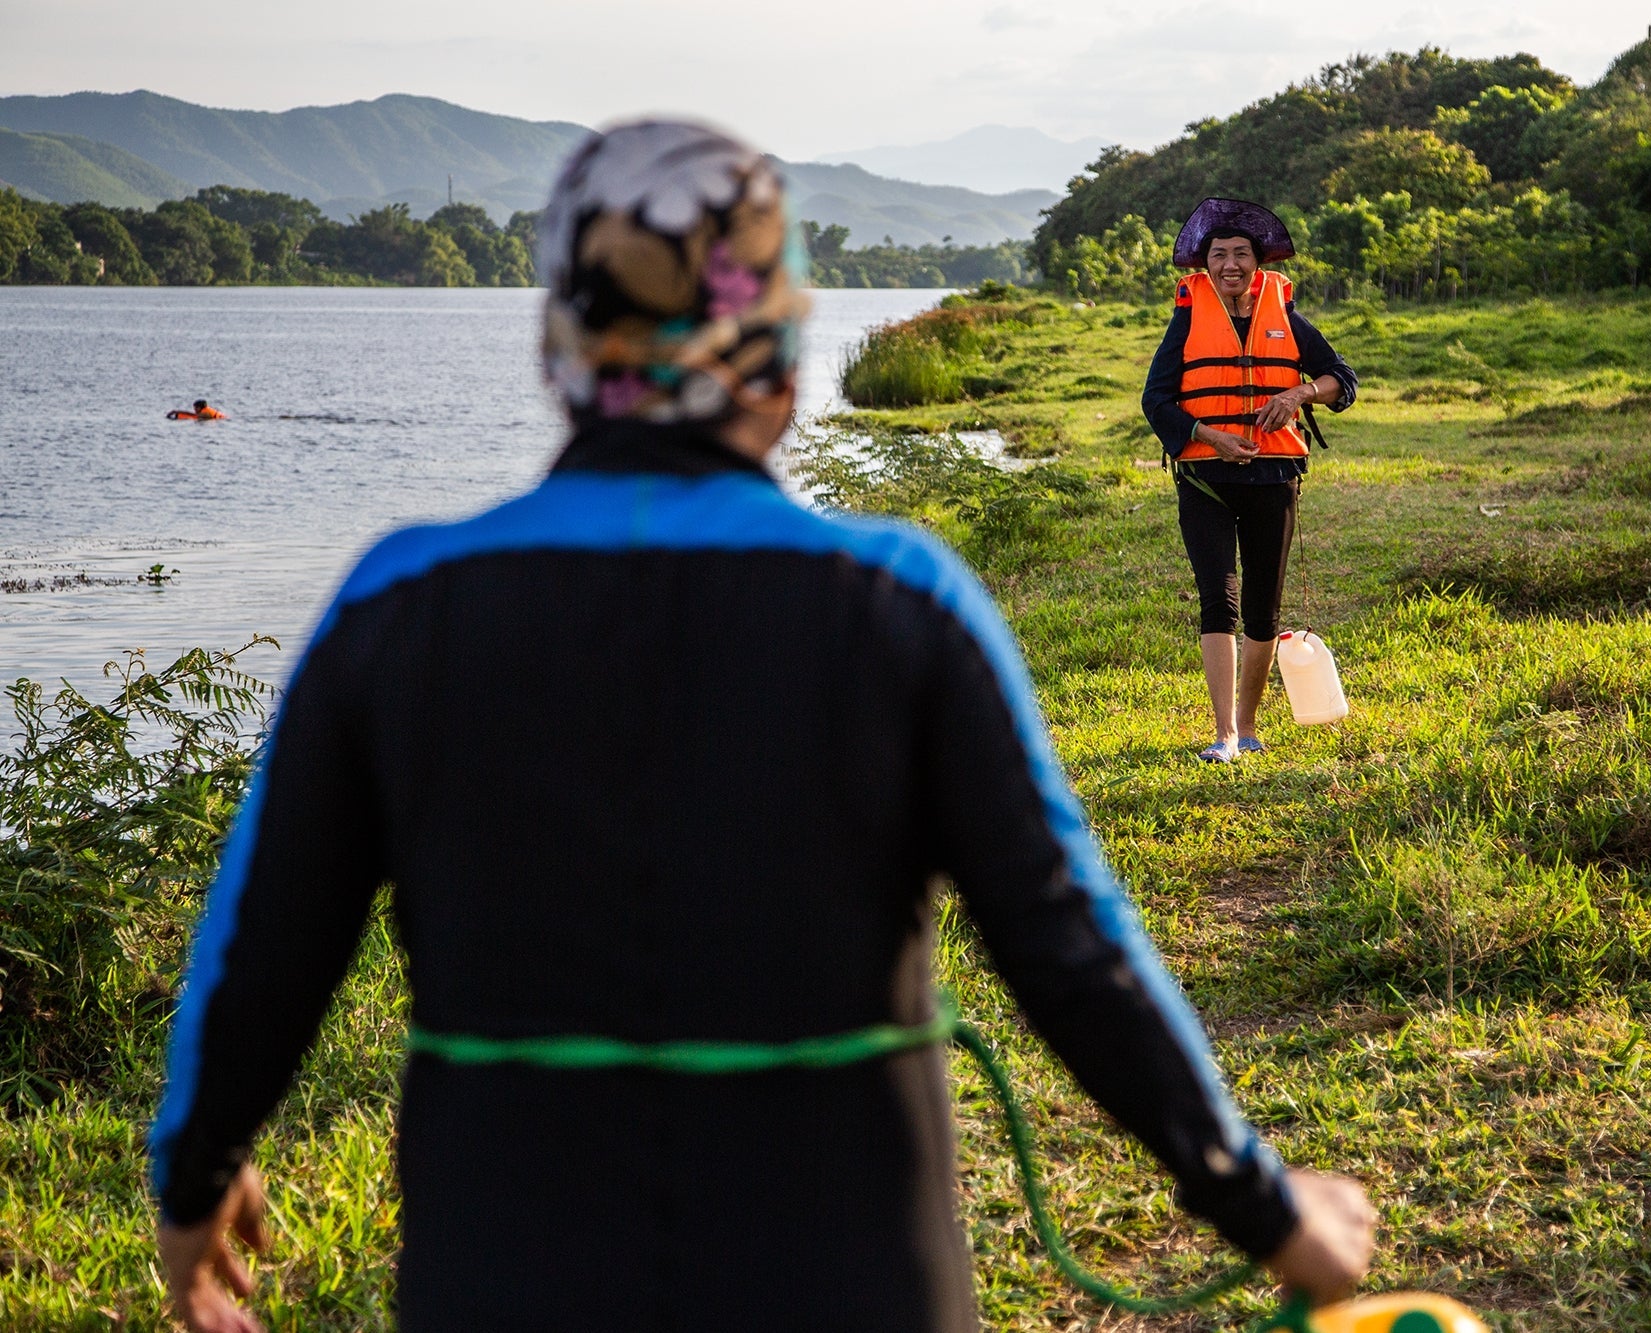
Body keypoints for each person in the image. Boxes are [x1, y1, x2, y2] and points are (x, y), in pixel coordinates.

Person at [150, 123, 1376, 1333]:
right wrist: (1261, 1209)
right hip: (849, 1275)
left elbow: (268, 940)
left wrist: (195, 1168)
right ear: (785, 358)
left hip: (507, 1272)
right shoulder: (903, 601)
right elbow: (1067, 945)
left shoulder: (397, 606)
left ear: (556, 352)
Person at [1141, 199, 1358, 763]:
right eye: (1220, 255)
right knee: (1220, 599)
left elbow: (1341, 378)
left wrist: (1297, 394)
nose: (1230, 264)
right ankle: (1225, 735)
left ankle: (1249, 722)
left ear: (1259, 264)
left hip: (1274, 476)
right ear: (1204, 264)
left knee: (1264, 608)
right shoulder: (1188, 317)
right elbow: (1156, 399)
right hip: (1206, 480)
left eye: (1241, 254)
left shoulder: (1284, 316)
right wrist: (1211, 438)